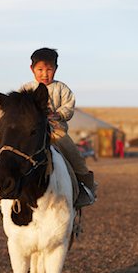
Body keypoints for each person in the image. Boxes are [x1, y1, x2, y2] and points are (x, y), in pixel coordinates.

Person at [20, 47, 96, 207]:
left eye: (49, 69)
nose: (44, 74)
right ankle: (3, 192)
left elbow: (69, 106)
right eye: (40, 69)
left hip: (56, 132)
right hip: (31, 133)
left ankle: (85, 187)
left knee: (74, 153)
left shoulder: (62, 89)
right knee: (11, 152)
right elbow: (19, 108)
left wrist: (59, 114)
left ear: (56, 69)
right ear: (32, 69)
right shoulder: (26, 89)